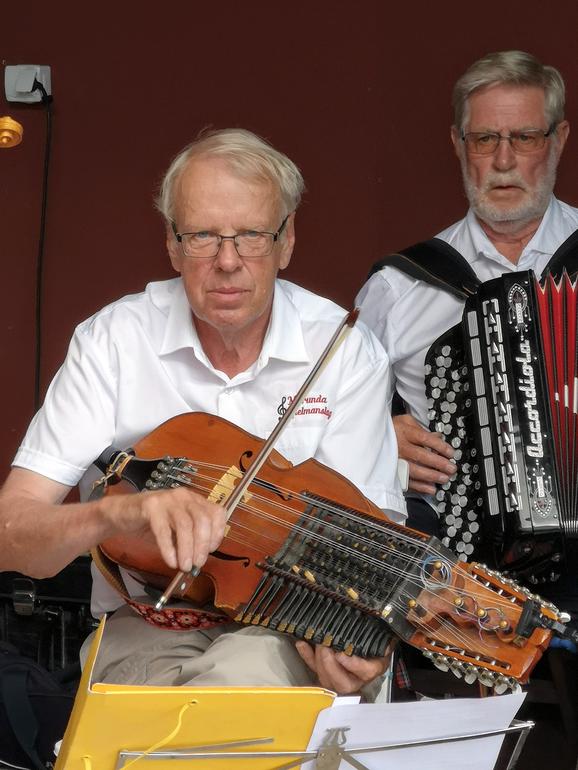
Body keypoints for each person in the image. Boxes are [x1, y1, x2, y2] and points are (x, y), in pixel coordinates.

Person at [0, 128, 405, 695]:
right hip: (146, 621)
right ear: (172, 245)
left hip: (288, 632)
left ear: (287, 242)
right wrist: (115, 516)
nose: (227, 261)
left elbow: (374, 549)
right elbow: (11, 532)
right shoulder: (112, 341)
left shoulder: (344, 349)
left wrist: (353, 646)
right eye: (203, 236)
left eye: (252, 236)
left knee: (238, 686)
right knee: (135, 721)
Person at [356, 50, 576, 529]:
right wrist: (375, 439)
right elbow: (325, 419)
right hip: (457, 574)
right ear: (458, 144)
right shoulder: (398, 286)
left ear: (558, 140)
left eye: (524, 137)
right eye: (484, 139)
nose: (503, 160)